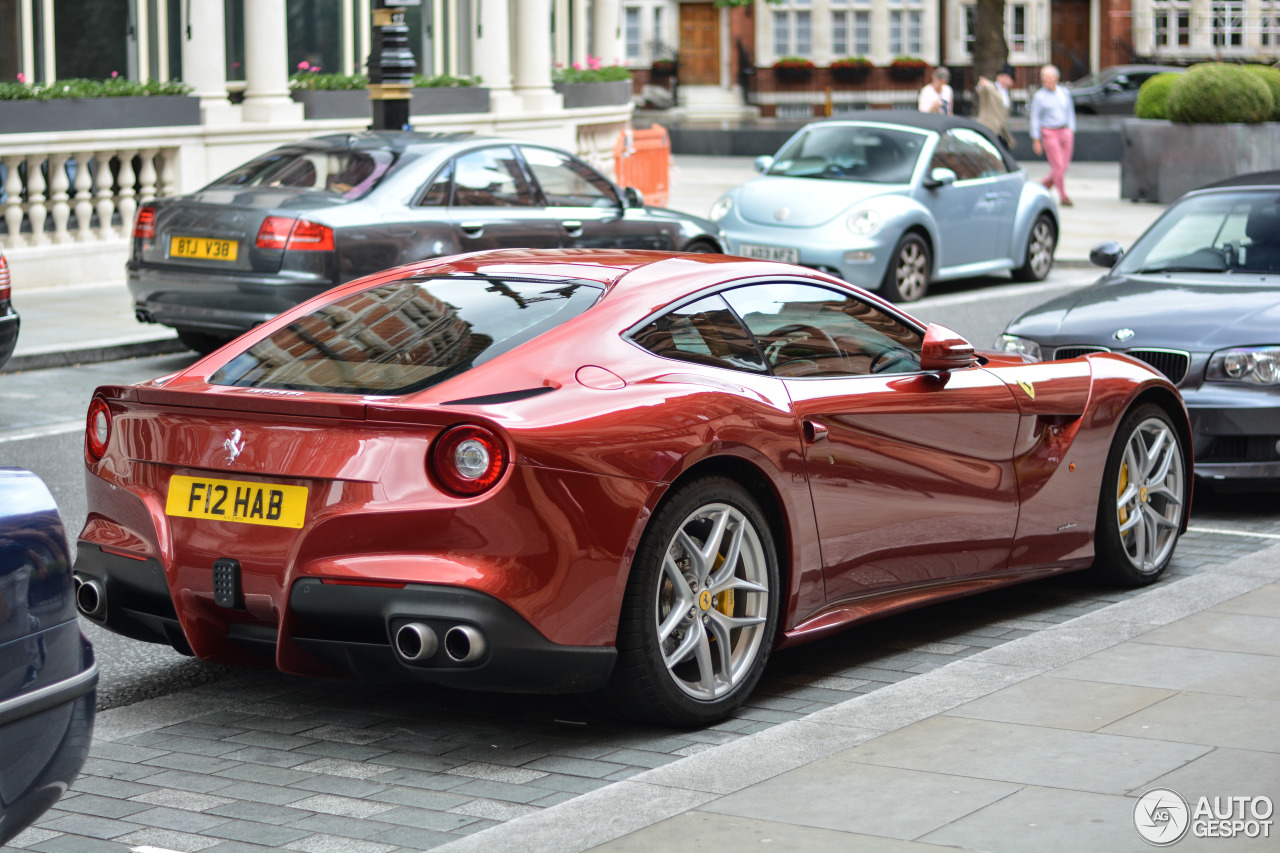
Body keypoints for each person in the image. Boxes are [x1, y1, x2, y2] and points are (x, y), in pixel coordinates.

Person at [1029, 64, 1075, 206]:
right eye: (1043, 76)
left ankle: (1043, 185)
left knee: (1063, 166)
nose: (1044, 79)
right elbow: (1035, 118)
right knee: (1058, 165)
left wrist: (1071, 130)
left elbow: (1070, 112)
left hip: (1065, 131)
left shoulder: (1064, 93)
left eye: (1047, 76)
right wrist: (1036, 139)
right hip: (1049, 132)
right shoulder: (1039, 96)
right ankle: (1063, 196)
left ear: (1056, 78)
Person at [976, 65, 1016, 151]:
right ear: (998, 77)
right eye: (1003, 77)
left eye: (1008, 78)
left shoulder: (1008, 94)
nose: (1005, 80)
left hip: (999, 131)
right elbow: (982, 90)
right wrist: (982, 85)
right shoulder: (991, 88)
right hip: (987, 128)